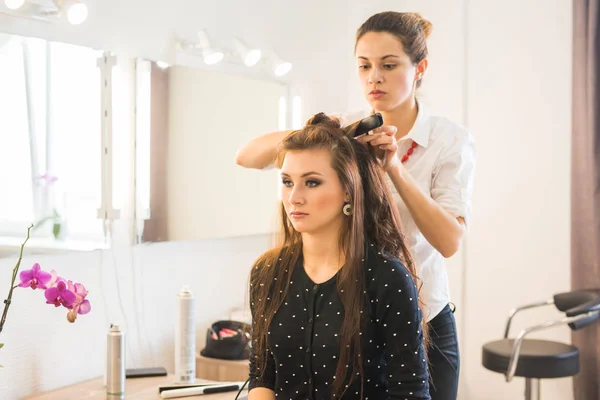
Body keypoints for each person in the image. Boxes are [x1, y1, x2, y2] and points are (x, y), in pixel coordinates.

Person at [237, 12, 475, 400]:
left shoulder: (450, 140)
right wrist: (316, 132)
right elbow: (246, 156)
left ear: (420, 69)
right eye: (364, 65)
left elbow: (449, 241)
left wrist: (394, 168)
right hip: (346, 310)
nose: (373, 77)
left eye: (388, 65)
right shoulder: (347, 128)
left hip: (422, 313)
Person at [247, 113, 430, 400]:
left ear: (348, 189)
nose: (294, 197)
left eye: (312, 183)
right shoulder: (267, 271)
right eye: (286, 181)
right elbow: (262, 374)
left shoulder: (387, 278)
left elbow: (410, 391)